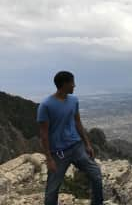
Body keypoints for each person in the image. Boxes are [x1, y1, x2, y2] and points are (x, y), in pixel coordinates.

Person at [36, 71, 104, 205]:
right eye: (72, 82)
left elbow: (78, 122)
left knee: (96, 175)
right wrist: (49, 159)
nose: (74, 85)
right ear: (64, 84)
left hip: (77, 147)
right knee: (52, 189)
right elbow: (43, 134)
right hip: (59, 153)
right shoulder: (46, 105)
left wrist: (87, 144)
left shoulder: (74, 100)